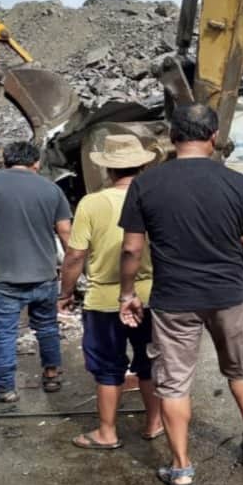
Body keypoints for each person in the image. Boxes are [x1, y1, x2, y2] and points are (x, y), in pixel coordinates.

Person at [118, 103, 243, 485]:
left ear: (172, 139)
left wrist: (126, 293)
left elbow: (132, 250)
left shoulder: (145, 185)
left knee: (173, 384)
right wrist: (228, 237)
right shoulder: (237, 182)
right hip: (227, 294)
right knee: (239, 367)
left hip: (174, 300)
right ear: (214, 137)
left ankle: (182, 467)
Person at [58, 135, 164, 450]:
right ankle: (154, 422)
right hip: (150, 295)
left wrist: (65, 293)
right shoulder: (156, 196)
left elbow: (75, 256)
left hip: (104, 300)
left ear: (107, 169)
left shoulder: (92, 203)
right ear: (144, 165)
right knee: (150, 360)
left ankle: (107, 432)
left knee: (107, 366)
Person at [0, 141, 71, 402]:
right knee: (47, 328)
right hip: (44, 275)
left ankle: (3, 388)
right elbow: (66, 234)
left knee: (3, 334)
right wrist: (69, 276)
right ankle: (52, 374)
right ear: (36, 163)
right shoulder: (51, 189)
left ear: (5, 161)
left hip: (5, 278)